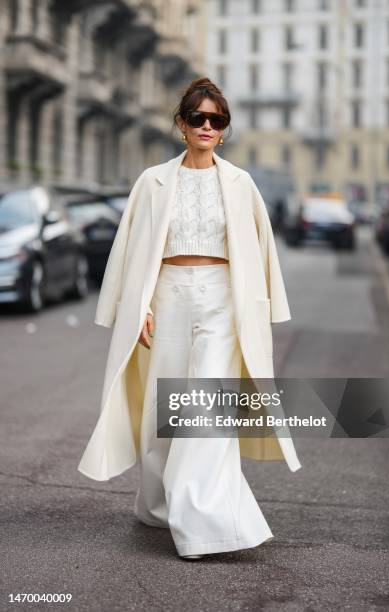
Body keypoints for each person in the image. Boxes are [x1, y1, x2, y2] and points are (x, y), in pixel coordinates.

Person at [77, 76, 301, 561]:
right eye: (197, 117)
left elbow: (261, 249)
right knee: (164, 407)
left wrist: (267, 311)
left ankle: (206, 524)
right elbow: (129, 249)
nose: (206, 125)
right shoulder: (152, 181)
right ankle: (159, 504)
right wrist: (135, 309)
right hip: (168, 297)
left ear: (224, 130)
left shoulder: (241, 184)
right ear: (181, 124)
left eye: (216, 120)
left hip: (224, 301)